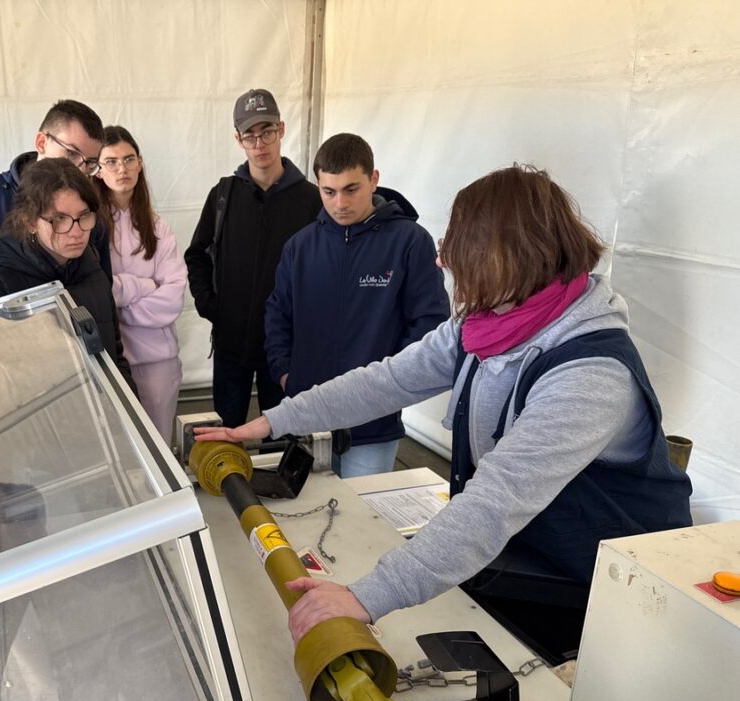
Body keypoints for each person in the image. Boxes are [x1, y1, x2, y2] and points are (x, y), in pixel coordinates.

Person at [198, 165, 692, 647]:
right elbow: (383, 382)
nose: (441, 263)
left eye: (460, 250)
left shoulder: (589, 373)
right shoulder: (486, 323)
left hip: (614, 585)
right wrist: (268, 423)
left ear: (510, 257)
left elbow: (496, 500)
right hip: (527, 553)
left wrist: (366, 597)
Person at [265, 133, 449, 476]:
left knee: (365, 523)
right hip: (308, 419)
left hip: (372, 426)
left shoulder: (410, 242)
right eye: (328, 192)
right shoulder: (300, 247)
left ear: (374, 179)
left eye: (351, 189)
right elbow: (278, 312)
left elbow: (430, 324)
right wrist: (286, 372)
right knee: (309, 519)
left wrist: (391, 383)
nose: (339, 204)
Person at [185, 88, 321, 429]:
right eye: (250, 135)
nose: (260, 143)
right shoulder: (223, 196)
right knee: (225, 430)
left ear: (282, 130)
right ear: (238, 139)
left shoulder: (310, 200)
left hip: (287, 346)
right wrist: (210, 305)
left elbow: (323, 268)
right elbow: (197, 254)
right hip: (232, 342)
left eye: (267, 132)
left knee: (284, 432)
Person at [0, 100, 113, 316]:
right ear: (42, 142)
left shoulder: (88, 215)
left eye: (90, 163)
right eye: (72, 154)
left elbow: (101, 291)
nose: (79, 170)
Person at [0, 158, 135, 390]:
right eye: (59, 219)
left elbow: (115, 356)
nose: (76, 232)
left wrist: (128, 412)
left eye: (84, 216)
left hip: (105, 418)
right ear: (29, 222)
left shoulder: (94, 271)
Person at [95, 126, 186, 442]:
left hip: (158, 364)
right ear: (97, 168)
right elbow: (98, 293)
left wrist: (122, 303)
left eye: (128, 158)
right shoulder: (89, 227)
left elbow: (173, 299)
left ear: (140, 163)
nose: (122, 168)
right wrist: (145, 286)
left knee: (160, 450)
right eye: (111, 161)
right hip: (108, 362)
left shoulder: (158, 227)